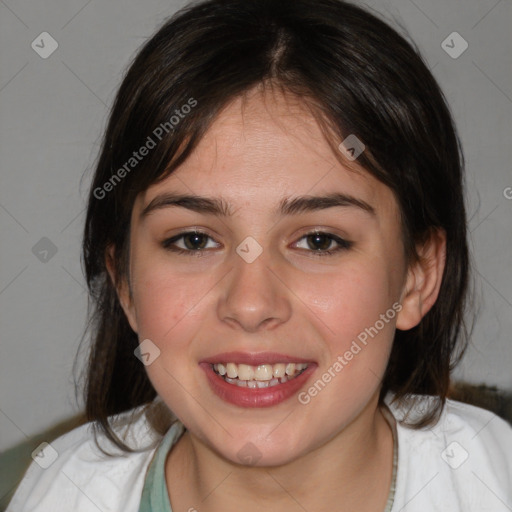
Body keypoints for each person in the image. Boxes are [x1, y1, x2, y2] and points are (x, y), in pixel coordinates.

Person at [7, 0, 512, 510]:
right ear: (124, 283)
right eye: (194, 240)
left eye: (319, 240)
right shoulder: (57, 493)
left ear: (417, 277)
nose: (250, 304)